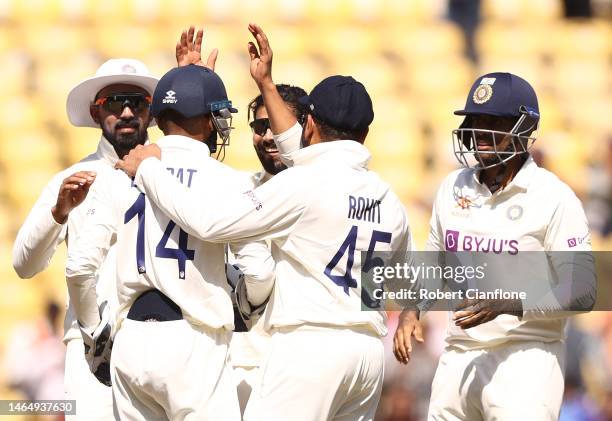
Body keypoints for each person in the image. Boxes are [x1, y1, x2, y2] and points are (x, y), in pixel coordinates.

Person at [116, 23, 413, 421]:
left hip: (310, 346)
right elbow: (415, 273)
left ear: (309, 124)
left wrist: (149, 170)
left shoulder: (304, 183)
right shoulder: (386, 196)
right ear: (365, 133)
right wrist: (413, 312)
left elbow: (210, 223)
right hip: (367, 356)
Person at [66, 63, 276, 420]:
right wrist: (245, 306)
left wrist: (93, 334)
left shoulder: (118, 174)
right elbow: (259, 273)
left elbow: (78, 267)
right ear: (208, 119)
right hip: (198, 340)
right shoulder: (230, 180)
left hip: (132, 337)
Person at [393, 72, 596, 420]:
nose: (482, 132)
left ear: (523, 128)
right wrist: (413, 309)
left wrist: (511, 302)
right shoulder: (452, 187)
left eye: (495, 122)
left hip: (525, 358)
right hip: (458, 355)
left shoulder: (554, 197)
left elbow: (582, 291)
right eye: (477, 120)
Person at [12, 57, 158, 420]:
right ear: (96, 113)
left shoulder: (172, 173)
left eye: (136, 102)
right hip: (92, 348)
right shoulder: (73, 178)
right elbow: (23, 264)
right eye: (113, 102)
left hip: (163, 342)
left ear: (151, 113)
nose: (126, 111)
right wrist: (59, 211)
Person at [230, 83, 307, 414]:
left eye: (276, 126)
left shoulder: (326, 193)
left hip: (304, 363)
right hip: (243, 364)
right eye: (260, 127)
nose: (268, 137)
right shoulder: (238, 190)